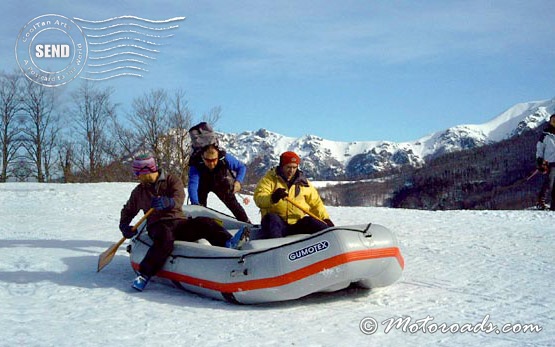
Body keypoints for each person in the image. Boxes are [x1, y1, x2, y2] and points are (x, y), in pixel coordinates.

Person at [119, 154, 249, 292]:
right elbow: (128, 210)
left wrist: (169, 202)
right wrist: (124, 225)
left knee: (205, 222)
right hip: (157, 225)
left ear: (146, 171)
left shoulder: (171, 180)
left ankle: (227, 242)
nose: (137, 176)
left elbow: (179, 197)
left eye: (138, 173)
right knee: (165, 239)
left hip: (178, 221)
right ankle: (144, 274)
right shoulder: (139, 192)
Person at [253, 151, 334, 239]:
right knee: (271, 218)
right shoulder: (269, 180)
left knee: (313, 222)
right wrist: (273, 198)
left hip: (296, 224)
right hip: (277, 224)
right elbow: (259, 198)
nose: (291, 171)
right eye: (288, 167)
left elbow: (316, 204)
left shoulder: (303, 183)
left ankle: (331, 240)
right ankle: (277, 248)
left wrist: (325, 219)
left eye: (294, 167)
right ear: (282, 166)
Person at [188, 144, 251, 223]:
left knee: (234, 205)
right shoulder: (196, 162)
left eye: (214, 160)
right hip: (202, 185)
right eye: (208, 160)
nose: (211, 164)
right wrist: (195, 203)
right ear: (202, 157)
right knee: (199, 210)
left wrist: (238, 181)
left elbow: (241, 167)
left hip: (220, 182)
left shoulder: (224, 158)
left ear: (218, 156)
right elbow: (193, 184)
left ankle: (246, 223)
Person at [536, 113, 555, 211]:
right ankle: (541, 201)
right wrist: (539, 159)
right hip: (550, 162)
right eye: (553, 121)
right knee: (549, 183)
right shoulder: (545, 135)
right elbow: (540, 148)